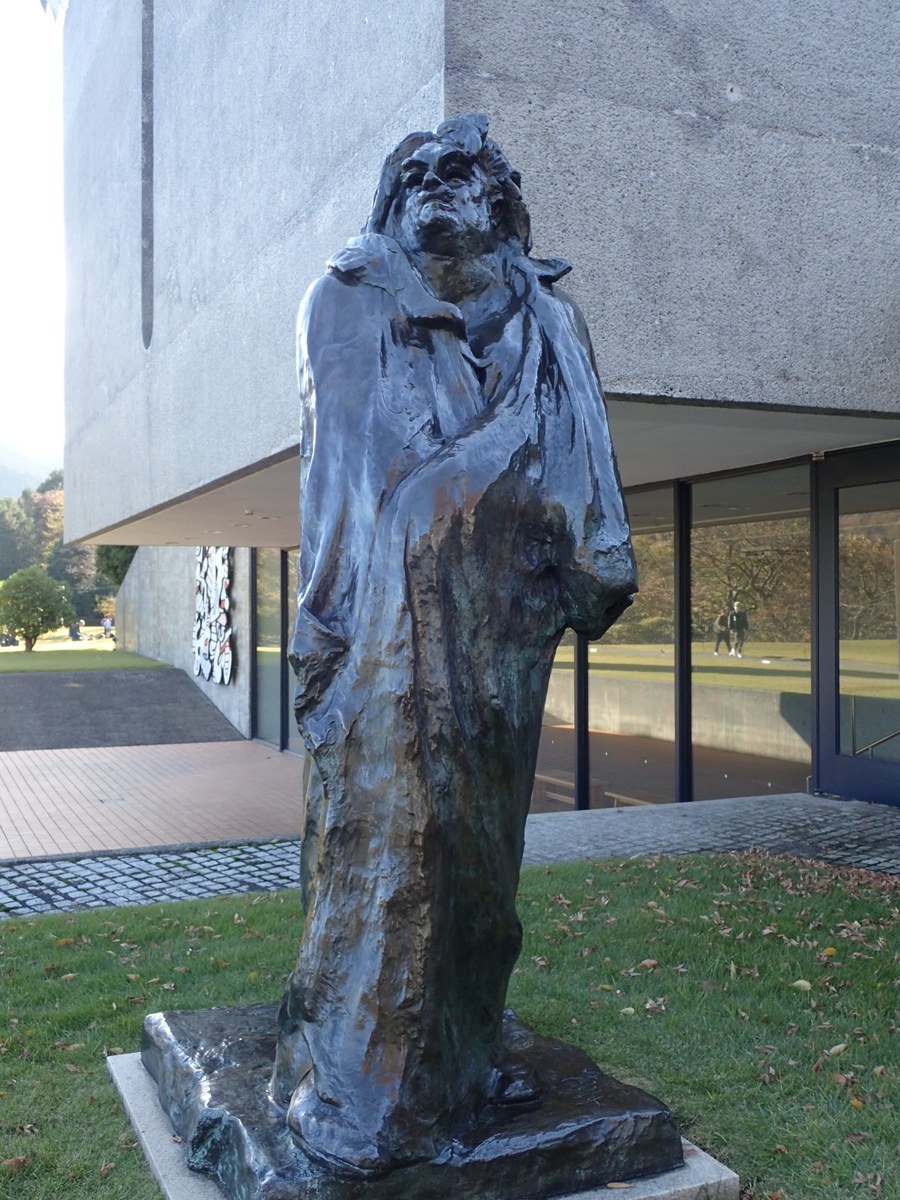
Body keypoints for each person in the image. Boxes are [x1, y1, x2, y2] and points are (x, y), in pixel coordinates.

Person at [271, 114, 637, 1175]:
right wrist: (331, 636)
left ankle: (462, 1055)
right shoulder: (344, 299)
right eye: (416, 174)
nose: (438, 186)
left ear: (499, 202)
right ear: (393, 205)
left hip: (506, 619)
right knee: (395, 841)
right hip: (389, 628)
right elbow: (356, 479)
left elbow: (586, 460)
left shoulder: (553, 321)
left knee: (482, 854)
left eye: (461, 173)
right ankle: (374, 1082)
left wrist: (585, 543)